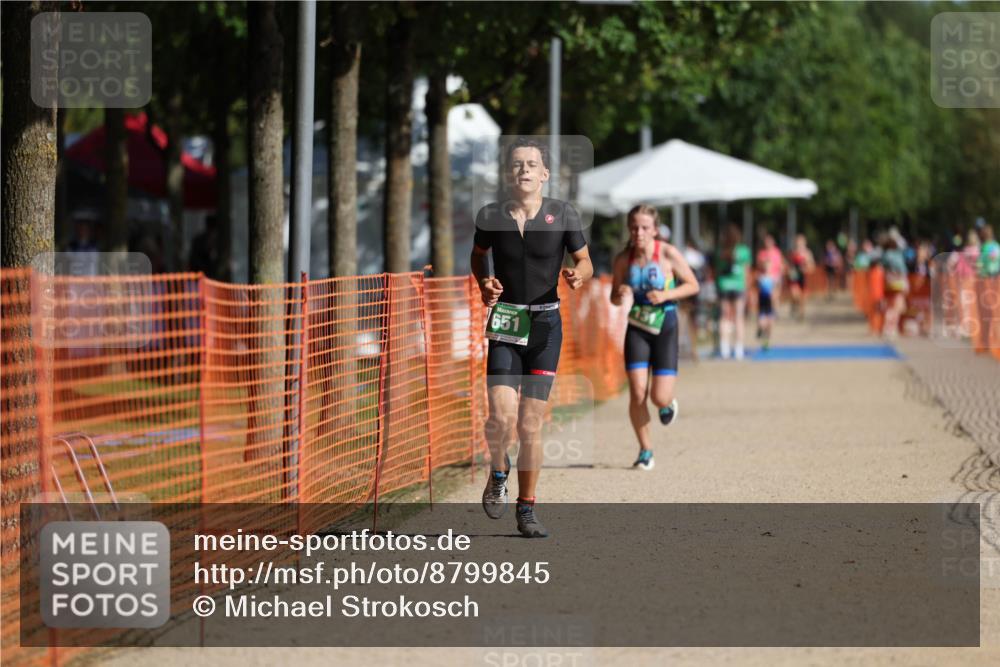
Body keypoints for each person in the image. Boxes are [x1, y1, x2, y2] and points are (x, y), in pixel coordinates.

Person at [471, 137, 593, 538]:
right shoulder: (490, 214)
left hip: (545, 327)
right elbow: (478, 254)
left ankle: (526, 508)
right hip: (506, 323)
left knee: (529, 423)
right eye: (517, 164)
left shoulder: (563, 213)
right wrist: (484, 283)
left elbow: (585, 260)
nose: (523, 170)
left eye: (531, 164)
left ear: (544, 174)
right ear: (509, 173)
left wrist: (579, 276)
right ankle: (499, 469)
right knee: (501, 418)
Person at [610, 205, 699, 471]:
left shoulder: (668, 254)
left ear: (655, 230)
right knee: (637, 392)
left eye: (645, 227)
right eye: (635, 227)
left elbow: (693, 284)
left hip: (665, 326)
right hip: (637, 327)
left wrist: (666, 295)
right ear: (629, 229)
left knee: (658, 397)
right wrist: (621, 292)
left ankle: (667, 403)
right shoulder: (623, 260)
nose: (639, 232)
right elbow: (613, 298)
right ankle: (645, 450)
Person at [714, 224, 752, 359]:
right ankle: (738, 349)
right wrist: (748, 288)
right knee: (739, 317)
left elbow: (717, 270)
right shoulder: (743, 251)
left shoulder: (720, 251)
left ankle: (724, 348)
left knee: (724, 317)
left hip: (724, 286)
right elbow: (747, 272)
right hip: (738, 286)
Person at [975, 225, 999, 353]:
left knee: (985, 312)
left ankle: (986, 342)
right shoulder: (997, 246)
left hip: (985, 281)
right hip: (996, 280)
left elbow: (979, 265)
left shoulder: (985, 247)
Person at [880, 235, 909, 339]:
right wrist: (906, 284)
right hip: (898, 283)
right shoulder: (896, 255)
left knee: (889, 307)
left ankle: (887, 328)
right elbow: (902, 270)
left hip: (888, 283)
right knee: (896, 307)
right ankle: (892, 328)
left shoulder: (884, 255)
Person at [787, 234, 815, 320]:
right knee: (794, 294)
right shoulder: (792, 252)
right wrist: (789, 270)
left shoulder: (808, 253)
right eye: (798, 242)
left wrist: (806, 268)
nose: (799, 244)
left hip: (804, 277)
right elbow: (789, 264)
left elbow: (812, 266)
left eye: (801, 242)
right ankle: (794, 304)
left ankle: (801, 315)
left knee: (803, 298)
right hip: (794, 276)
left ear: (805, 243)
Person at [756, 234, 785, 311]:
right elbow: (758, 266)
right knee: (769, 296)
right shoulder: (761, 253)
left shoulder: (777, 252)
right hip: (765, 277)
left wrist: (781, 274)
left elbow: (781, 264)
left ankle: (774, 310)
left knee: (774, 296)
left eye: (769, 242)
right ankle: (770, 310)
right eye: (766, 242)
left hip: (776, 276)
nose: (768, 243)